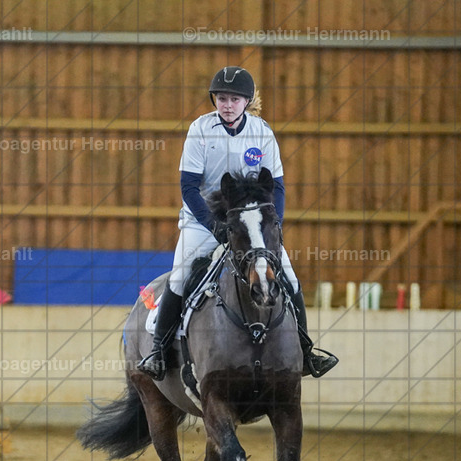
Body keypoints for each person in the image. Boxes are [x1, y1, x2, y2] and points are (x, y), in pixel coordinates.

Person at [137, 66, 338, 381]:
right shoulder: (200, 130)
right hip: (203, 221)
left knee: (290, 277)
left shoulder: (262, 132)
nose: (227, 105)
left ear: (246, 102)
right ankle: (159, 353)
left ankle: (305, 351)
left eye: (234, 99)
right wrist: (213, 226)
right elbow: (189, 187)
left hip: (252, 224)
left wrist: (274, 229)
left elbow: (278, 187)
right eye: (221, 98)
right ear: (214, 100)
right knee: (178, 278)